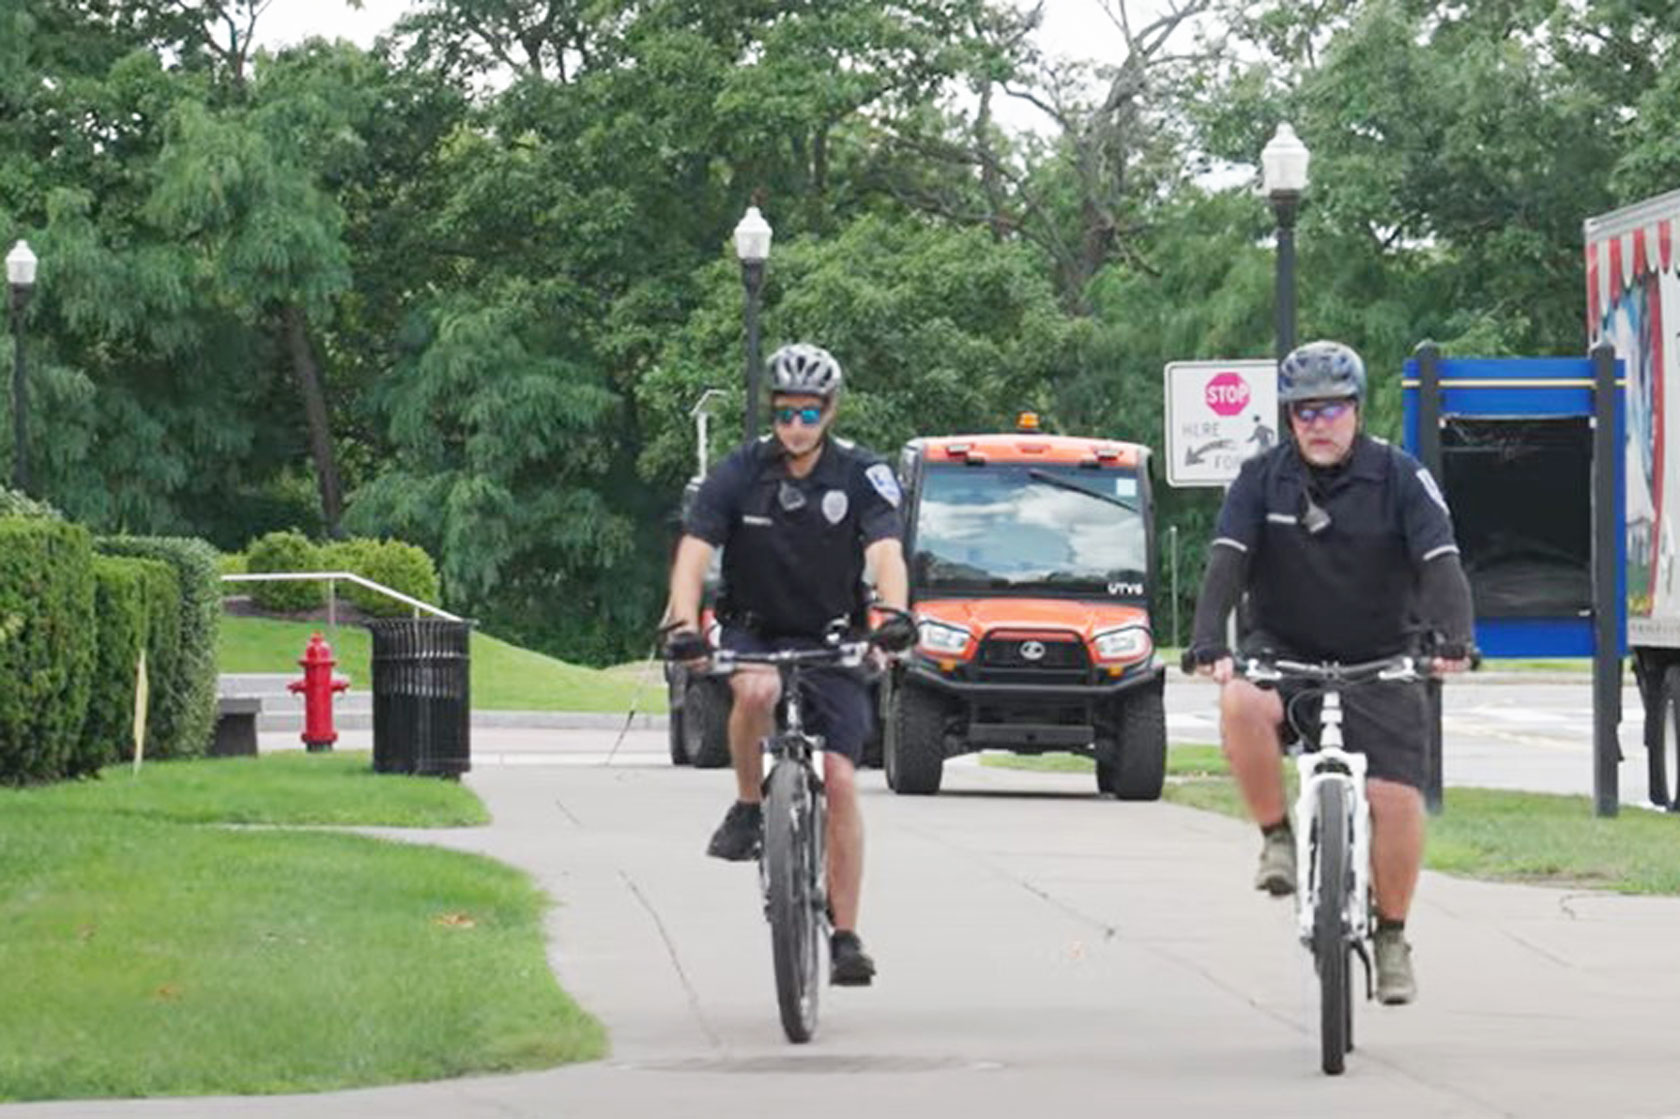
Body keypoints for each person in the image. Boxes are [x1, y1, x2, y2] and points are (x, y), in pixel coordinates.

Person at [1183, 340, 1474, 1006]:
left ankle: (1393, 935)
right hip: (1284, 649)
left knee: (1396, 798)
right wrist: (1207, 641)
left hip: (1382, 656)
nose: (1319, 422)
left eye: (1333, 408)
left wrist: (1455, 638)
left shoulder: (1400, 477)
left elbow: (1440, 564)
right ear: (1288, 417)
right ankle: (1277, 838)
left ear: (1356, 409)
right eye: (1303, 410)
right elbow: (1227, 562)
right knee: (1238, 703)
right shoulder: (1260, 479)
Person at [665, 342, 914, 987]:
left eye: (808, 414)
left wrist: (891, 616)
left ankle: (848, 936)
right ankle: (751, 804)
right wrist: (683, 623)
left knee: (841, 778)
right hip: (754, 629)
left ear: (829, 411)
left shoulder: (860, 472)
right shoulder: (741, 472)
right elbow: (695, 549)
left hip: (835, 637)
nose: (794, 427)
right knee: (753, 692)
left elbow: (887, 550)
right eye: (784, 414)